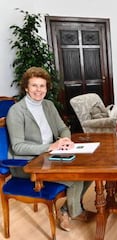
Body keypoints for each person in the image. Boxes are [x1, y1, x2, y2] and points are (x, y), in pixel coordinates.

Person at [6, 67, 94, 232]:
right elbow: (18, 146)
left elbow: (62, 128)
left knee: (90, 171)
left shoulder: (48, 105)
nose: (39, 90)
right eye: (34, 86)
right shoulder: (16, 112)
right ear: (26, 87)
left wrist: (65, 138)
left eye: (42, 86)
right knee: (76, 177)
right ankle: (72, 212)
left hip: (50, 156)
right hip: (27, 164)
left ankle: (66, 210)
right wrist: (50, 146)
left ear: (47, 88)